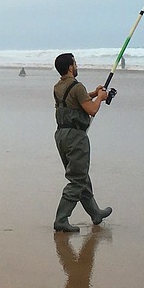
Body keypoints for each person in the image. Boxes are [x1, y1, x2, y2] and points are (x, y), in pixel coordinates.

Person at [51, 53, 115, 233]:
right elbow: (91, 109)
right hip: (75, 138)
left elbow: (74, 100)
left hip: (61, 136)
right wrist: (100, 98)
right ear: (71, 67)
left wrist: (94, 93)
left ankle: (95, 213)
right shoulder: (77, 86)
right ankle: (61, 220)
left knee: (81, 177)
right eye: (75, 63)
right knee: (77, 180)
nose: (77, 66)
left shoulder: (58, 87)